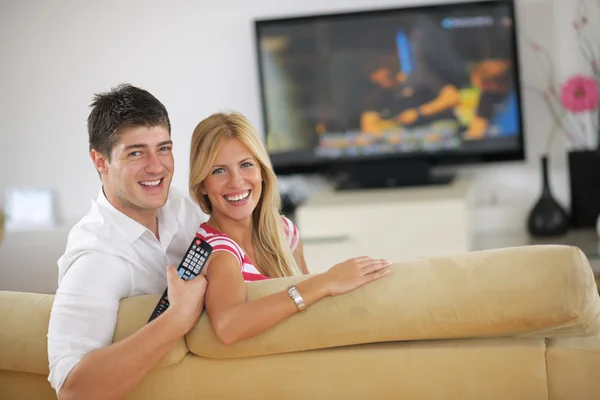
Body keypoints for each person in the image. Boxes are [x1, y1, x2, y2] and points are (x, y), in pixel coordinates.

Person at [47, 83, 209, 400]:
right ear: (100, 161)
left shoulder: (177, 206)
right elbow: (73, 389)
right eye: (135, 153)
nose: (156, 166)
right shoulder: (96, 259)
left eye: (163, 148)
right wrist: (175, 320)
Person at [188, 111, 392, 345]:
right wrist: (323, 282)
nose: (236, 182)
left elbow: (309, 315)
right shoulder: (217, 250)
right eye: (219, 170)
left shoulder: (284, 232)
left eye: (246, 165)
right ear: (202, 184)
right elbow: (228, 327)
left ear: (262, 172)